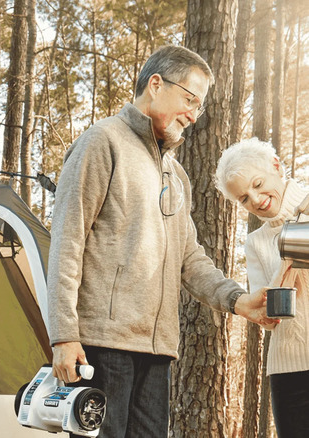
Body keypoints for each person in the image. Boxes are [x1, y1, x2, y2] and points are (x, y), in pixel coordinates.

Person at [44, 45, 276, 437]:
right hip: (102, 344)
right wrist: (64, 335)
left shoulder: (176, 175)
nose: (192, 114)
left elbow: (190, 258)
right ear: (155, 84)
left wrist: (238, 301)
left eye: (199, 107)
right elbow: (67, 241)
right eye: (189, 99)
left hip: (157, 352)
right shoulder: (103, 142)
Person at [215, 138, 309, 437]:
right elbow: (269, 315)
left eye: (257, 183)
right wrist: (293, 246)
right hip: (288, 366)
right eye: (243, 198)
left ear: (276, 166)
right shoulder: (255, 242)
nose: (255, 199)